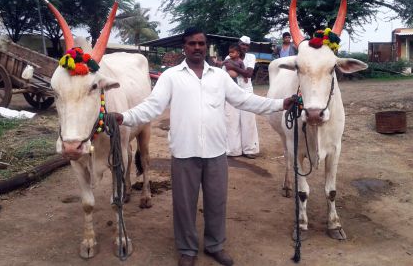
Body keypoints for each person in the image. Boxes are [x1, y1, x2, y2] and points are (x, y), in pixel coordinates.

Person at [113, 27, 295, 266]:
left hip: (216, 152)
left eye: (200, 43)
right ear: (184, 47)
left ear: (205, 46)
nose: (196, 47)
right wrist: (124, 117)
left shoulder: (219, 76)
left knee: (217, 202)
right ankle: (187, 249)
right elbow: (152, 107)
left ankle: (215, 245)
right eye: (191, 43)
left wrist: (281, 103)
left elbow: (245, 100)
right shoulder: (171, 76)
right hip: (184, 152)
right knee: (184, 205)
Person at [223, 36, 259, 159]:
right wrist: (236, 68)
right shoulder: (228, 57)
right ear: (238, 44)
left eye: (246, 45)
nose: (244, 47)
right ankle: (233, 150)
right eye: (242, 44)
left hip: (246, 91)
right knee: (231, 120)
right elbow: (225, 73)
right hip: (231, 91)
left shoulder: (251, 57)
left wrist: (233, 67)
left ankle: (250, 149)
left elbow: (249, 74)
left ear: (248, 47)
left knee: (248, 120)